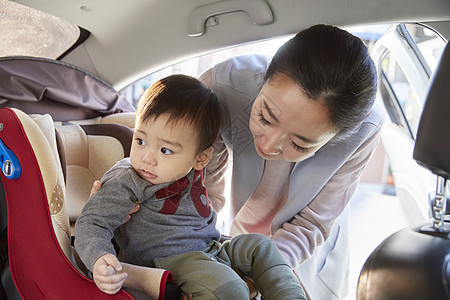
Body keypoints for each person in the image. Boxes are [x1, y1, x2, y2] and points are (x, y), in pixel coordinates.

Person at [75, 74, 306, 300]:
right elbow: (92, 222)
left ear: (201, 159)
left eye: (165, 150)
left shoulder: (191, 169)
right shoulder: (128, 179)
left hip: (212, 248)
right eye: (140, 141)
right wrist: (99, 258)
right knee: (229, 288)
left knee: (261, 246)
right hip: (170, 259)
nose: (147, 158)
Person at [197, 24, 384, 299]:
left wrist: (264, 272)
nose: (268, 145)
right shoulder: (221, 88)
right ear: (265, 77)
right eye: (264, 117)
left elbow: (311, 224)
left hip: (307, 252)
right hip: (242, 225)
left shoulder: (363, 132)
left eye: (299, 143)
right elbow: (202, 187)